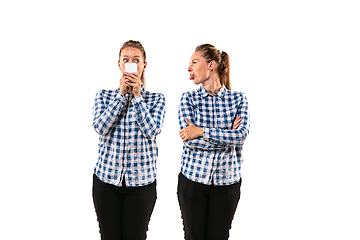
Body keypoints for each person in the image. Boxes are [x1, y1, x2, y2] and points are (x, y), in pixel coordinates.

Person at [92, 40, 166, 240]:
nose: (131, 64)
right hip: (106, 182)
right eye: (126, 60)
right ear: (119, 64)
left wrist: (138, 97)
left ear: (144, 65)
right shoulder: (104, 96)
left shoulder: (156, 99)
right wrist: (121, 96)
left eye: (136, 60)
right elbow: (100, 127)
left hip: (141, 184)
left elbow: (152, 130)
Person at [177, 44, 250, 240]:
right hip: (192, 182)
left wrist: (200, 131)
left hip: (227, 184)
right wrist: (228, 136)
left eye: (194, 62)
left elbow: (241, 135)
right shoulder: (188, 99)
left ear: (211, 65)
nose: (189, 68)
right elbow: (190, 142)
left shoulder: (238, 99)